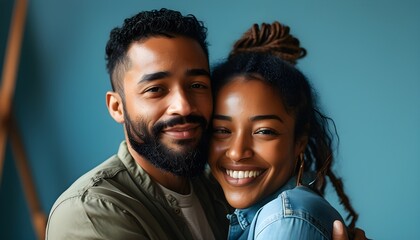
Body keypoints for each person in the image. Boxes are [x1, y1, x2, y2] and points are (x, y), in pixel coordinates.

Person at [45, 8, 364, 240]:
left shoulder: (221, 191)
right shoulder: (91, 212)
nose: (183, 105)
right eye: (156, 89)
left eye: (197, 85)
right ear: (117, 106)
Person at [209, 22, 359, 239]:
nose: (237, 152)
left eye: (263, 131)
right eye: (221, 130)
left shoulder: (285, 221)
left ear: (299, 141)